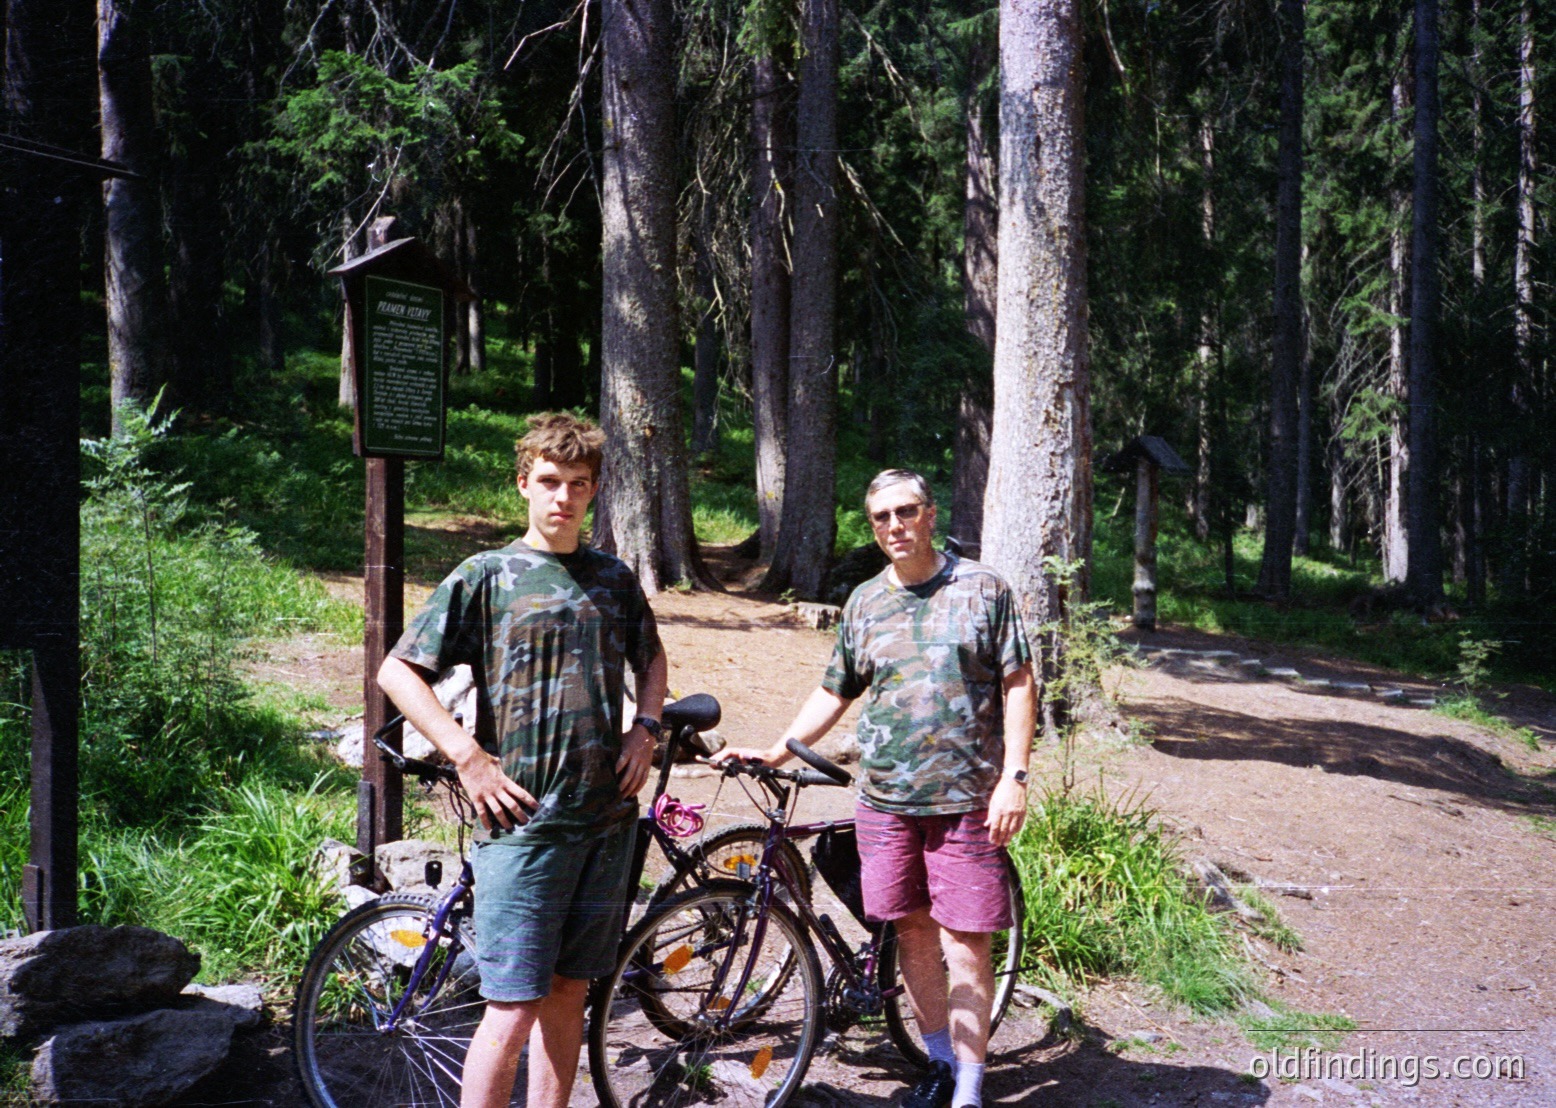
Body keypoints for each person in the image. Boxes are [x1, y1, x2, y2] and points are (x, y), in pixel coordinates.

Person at [717, 468, 1036, 1108]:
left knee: (966, 944)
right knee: (911, 933)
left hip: (967, 801)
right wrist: (779, 748)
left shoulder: (983, 588)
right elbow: (836, 687)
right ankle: (941, 1063)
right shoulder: (864, 601)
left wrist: (1015, 779)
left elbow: (1019, 684)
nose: (895, 525)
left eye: (906, 511)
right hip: (884, 801)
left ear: (930, 513)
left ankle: (970, 1090)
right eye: (881, 516)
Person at [377, 412, 668, 1108]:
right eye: (548, 481)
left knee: (571, 992)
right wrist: (468, 757)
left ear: (593, 490)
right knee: (510, 1005)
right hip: (523, 824)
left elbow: (651, 657)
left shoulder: (612, 578)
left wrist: (646, 728)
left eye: (576, 483)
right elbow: (398, 672)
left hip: (605, 821)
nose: (562, 496)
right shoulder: (487, 574)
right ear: (522, 485)